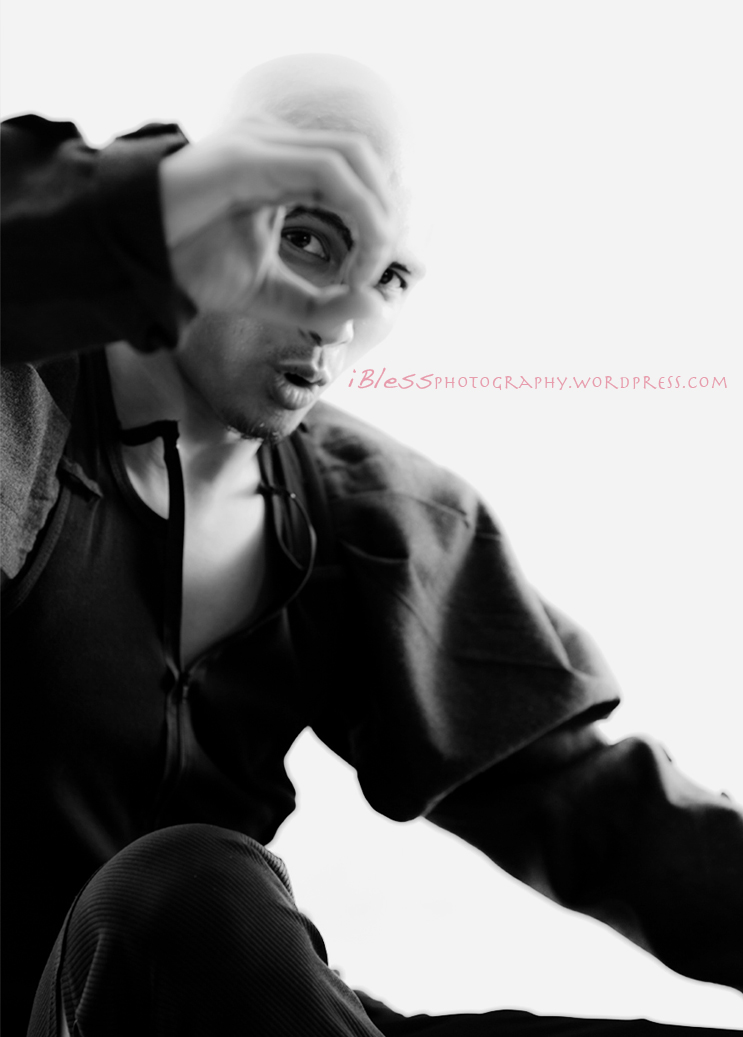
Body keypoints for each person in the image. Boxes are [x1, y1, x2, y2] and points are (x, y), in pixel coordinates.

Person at [1, 54, 741, 1037]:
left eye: (388, 275)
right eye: (308, 240)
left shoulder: (370, 516)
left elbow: (598, 813)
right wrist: (141, 213)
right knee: (188, 883)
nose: (344, 316)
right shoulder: (22, 398)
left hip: (248, 1009)